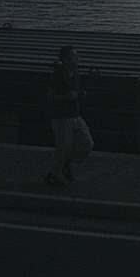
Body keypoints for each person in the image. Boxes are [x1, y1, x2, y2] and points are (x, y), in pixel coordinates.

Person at [44, 44, 94, 186]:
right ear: (65, 59)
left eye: (76, 56)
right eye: (73, 56)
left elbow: (76, 92)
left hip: (75, 114)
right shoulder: (57, 75)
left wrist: (80, 95)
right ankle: (57, 172)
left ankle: (60, 167)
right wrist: (67, 97)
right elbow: (50, 96)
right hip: (61, 116)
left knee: (87, 143)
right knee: (64, 145)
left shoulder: (76, 73)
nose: (76, 59)